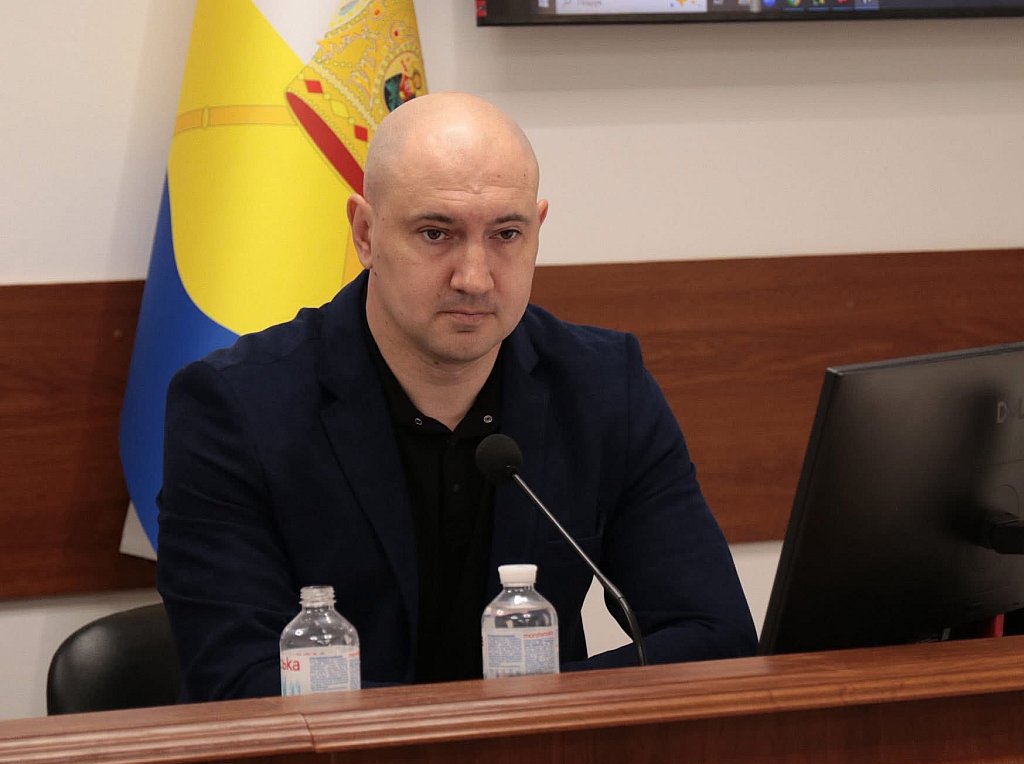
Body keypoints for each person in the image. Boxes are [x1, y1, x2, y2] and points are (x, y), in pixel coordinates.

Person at [156, 92, 756, 701]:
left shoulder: (602, 388)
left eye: (506, 234)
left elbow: (716, 636)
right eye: (436, 233)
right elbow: (234, 681)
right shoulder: (237, 408)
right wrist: (487, 720)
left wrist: (518, 720)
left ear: (537, 230)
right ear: (365, 233)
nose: (474, 277)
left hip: (541, 753)